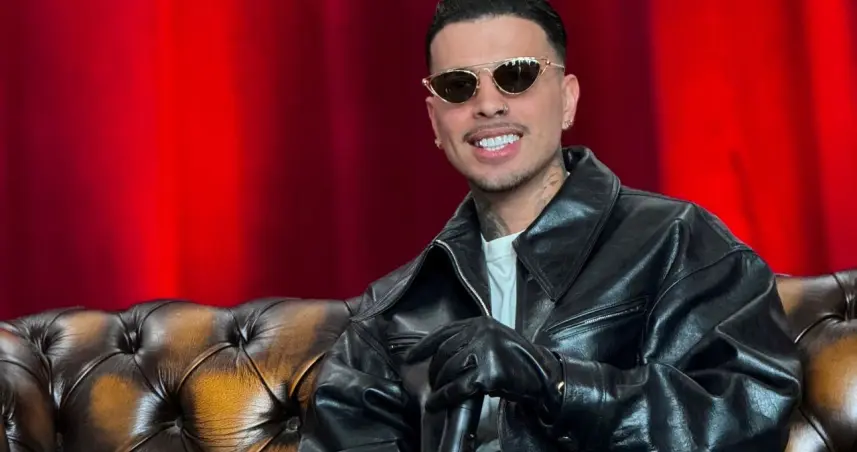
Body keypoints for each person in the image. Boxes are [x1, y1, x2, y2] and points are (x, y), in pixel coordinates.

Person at [298, 0, 802, 450]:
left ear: (567, 99)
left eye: (516, 75)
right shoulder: (391, 313)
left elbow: (745, 417)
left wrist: (556, 383)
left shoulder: (678, 243)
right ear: (435, 121)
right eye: (459, 85)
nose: (488, 104)